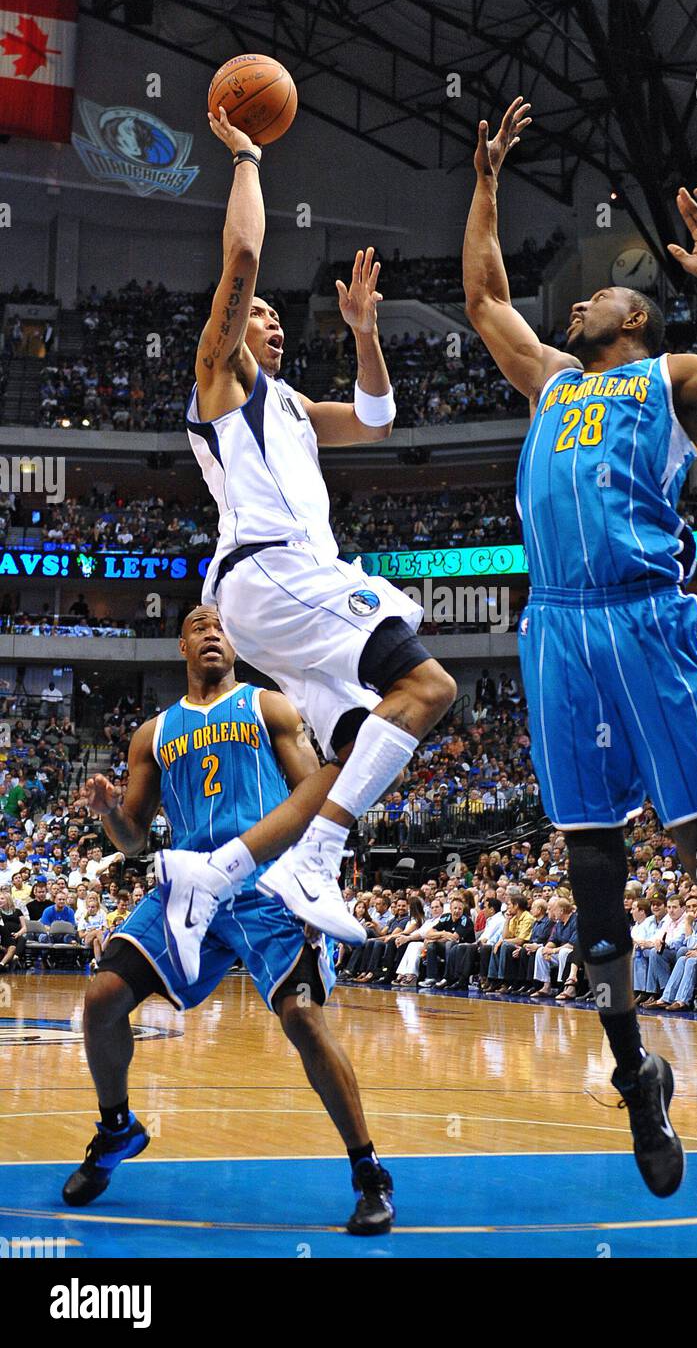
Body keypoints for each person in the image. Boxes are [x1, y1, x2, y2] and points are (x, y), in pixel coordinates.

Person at [462, 97, 697, 1195]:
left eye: (601, 292)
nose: (580, 297)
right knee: (594, 886)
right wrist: (486, 177)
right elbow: (485, 294)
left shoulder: (668, 375)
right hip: (558, 628)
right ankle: (637, 1074)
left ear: (633, 317)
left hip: (645, 619)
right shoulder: (550, 380)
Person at [160, 103, 456, 978]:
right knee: (428, 682)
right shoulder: (218, 379)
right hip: (273, 571)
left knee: (356, 747)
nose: (274, 324)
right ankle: (319, 860)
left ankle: (217, 873)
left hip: (279, 594)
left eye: (282, 322)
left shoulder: (288, 406)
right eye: (260, 319)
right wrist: (248, 157)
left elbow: (374, 419)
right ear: (228, 329)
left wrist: (366, 332)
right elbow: (244, 259)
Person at [62, 606, 394, 1236]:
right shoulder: (153, 734)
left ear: (235, 643)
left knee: (301, 1016)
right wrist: (108, 811)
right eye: (198, 624)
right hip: (188, 884)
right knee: (102, 997)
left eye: (220, 624)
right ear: (181, 644)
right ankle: (117, 1128)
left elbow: (321, 798)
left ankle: (368, 1171)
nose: (212, 630)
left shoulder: (270, 707)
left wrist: (315, 885)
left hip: (265, 883)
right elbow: (133, 840)